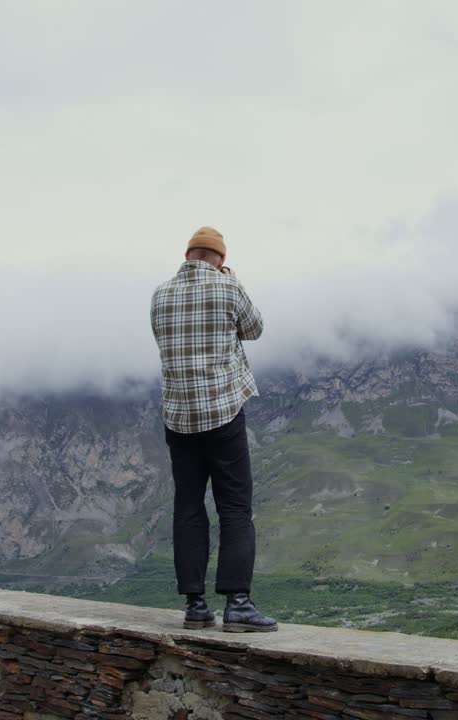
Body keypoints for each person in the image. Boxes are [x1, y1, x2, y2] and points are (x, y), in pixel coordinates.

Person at [149, 226, 277, 632]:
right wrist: (233, 283)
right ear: (220, 259)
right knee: (235, 506)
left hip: (178, 418)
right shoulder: (227, 289)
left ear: (187, 255)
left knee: (188, 507)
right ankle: (238, 602)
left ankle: (195, 606)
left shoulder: (159, 295)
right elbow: (254, 329)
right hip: (222, 413)